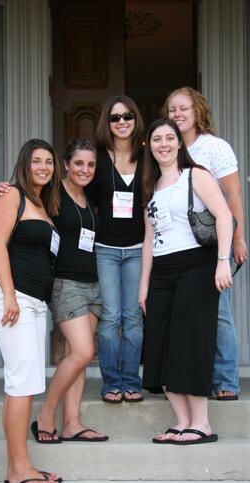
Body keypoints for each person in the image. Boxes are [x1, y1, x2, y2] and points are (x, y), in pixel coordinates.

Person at [0, 138, 108, 442]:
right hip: (64, 282)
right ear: (66, 166)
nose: (85, 170)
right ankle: (47, 412)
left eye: (91, 164)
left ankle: (72, 422)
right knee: (84, 352)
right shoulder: (52, 192)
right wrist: (2, 188)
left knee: (76, 355)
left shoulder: (90, 195)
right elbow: (22, 201)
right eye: (78, 163)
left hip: (93, 283)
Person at [139, 118, 233, 444]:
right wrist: (144, 286)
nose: (163, 144)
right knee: (160, 345)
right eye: (156, 139)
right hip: (162, 272)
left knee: (189, 341)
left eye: (169, 138)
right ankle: (181, 421)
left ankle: (202, 423)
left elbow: (224, 215)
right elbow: (149, 240)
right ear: (149, 147)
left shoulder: (197, 175)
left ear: (180, 143)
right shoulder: (152, 186)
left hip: (197, 265)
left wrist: (223, 261)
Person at [0, 139, 62, 483]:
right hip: (10, 299)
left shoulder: (43, 204)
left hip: (33, 302)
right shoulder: (11, 194)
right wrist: (11, 296)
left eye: (48, 161)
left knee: (21, 383)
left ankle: (18, 464)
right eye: (36, 161)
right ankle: (20, 469)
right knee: (23, 384)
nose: (43, 166)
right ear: (24, 164)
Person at [162, 86, 248, 400]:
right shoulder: (165, 147)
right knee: (179, 315)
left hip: (211, 242)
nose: (177, 115)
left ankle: (226, 380)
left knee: (219, 312)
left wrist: (237, 238)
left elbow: (232, 196)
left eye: (183, 108)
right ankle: (185, 378)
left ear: (197, 111)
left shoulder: (214, 148)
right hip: (174, 245)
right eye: (172, 110)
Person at [88, 95, 146, 403]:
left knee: (133, 317)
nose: (121, 122)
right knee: (110, 317)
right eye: (115, 117)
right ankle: (111, 382)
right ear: (107, 123)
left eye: (127, 116)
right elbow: (75, 193)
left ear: (136, 120)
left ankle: (131, 382)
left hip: (138, 248)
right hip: (106, 249)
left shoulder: (148, 157)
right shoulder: (95, 158)